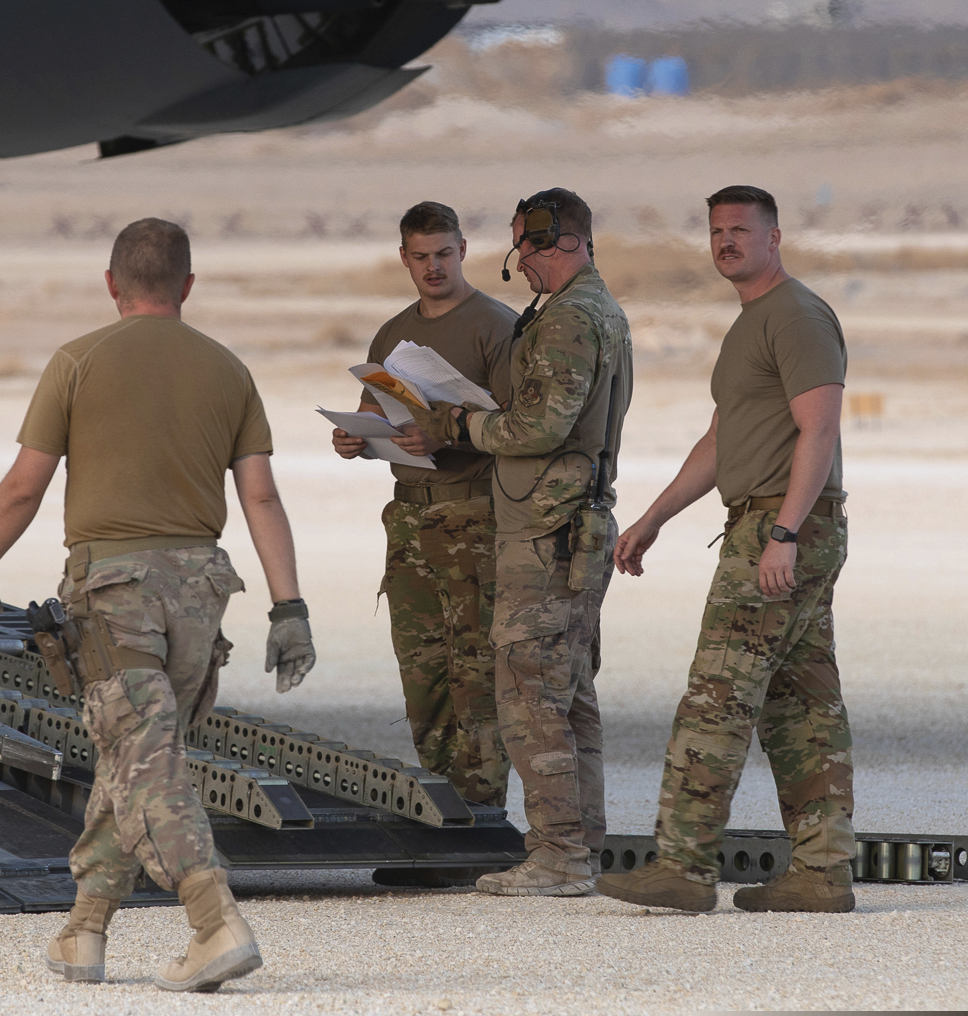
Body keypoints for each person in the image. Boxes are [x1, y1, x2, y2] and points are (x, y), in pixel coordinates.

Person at [0, 217, 316, 991]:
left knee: (146, 761)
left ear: (111, 285)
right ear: (187, 285)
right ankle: (84, 930)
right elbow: (261, 494)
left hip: (113, 593)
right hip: (200, 594)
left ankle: (214, 920)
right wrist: (289, 607)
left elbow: (24, 484)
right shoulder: (228, 369)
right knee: (138, 758)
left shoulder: (78, 360)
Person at [596, 184, 856, 916]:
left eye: (741, 229)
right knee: (802, 705)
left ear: (776, 237)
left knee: (718, 691)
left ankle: (681, 864)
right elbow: (723, 439)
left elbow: (821, 429)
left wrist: (783, 533)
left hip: (781, 524)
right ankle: (822, 871)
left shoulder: (797, 316)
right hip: (774, 519)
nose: (726, 242)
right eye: (716, 231)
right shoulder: (752, 323)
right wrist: (654, 516)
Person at [372, 188, 630, 898]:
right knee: (570, 696)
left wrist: (457, 425)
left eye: (527, 246)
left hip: (545, 527)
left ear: (562, 241)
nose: (520, 261)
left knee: (527, 696)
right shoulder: (588, 311)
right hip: (564, 522)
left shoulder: (571, 318)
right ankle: (582, 845)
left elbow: (538, 426)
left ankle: (558, 855)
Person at [329, 202, 518, 885]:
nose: (433, 267)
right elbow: (384, 416)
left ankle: (482, 824)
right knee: (424, 676)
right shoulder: (394, 331)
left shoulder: (497, 328)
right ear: (404, 258)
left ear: (464, 248)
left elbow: (520, 428)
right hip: (409, 519)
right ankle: (440, 823)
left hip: (474, 519)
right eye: (420, 256)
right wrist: (356, 438)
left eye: (444, 253)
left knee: (477, 675)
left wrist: (451, 430)